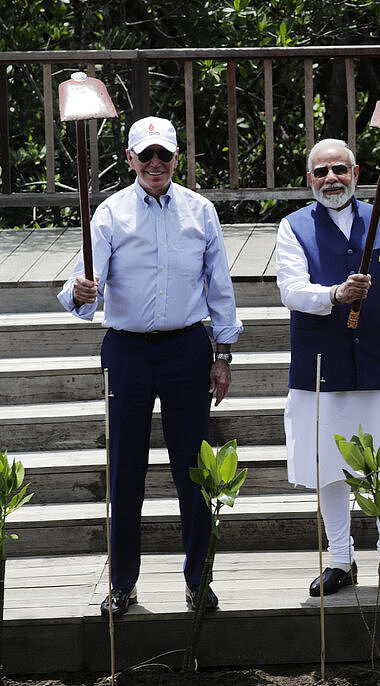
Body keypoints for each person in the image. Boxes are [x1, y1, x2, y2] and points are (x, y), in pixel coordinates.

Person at [57, 115, 243, 616]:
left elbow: (219, 286)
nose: (155, 163)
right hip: (127, 350)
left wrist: (222, 354)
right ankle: (123, 584)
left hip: (187, 348)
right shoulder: (110, 214)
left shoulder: (200, 211)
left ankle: (198, 581)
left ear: (177, 158)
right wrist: (79, 292)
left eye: (164, 155)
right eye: (146, 155)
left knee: (195, 472)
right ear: (131, 159)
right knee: (126, 471)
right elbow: (81, 287)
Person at [276, 138, 380, 598]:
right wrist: (334, 295)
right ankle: (341, 559)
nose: (331, 179)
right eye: (321, 171)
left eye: (340, 170)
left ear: (356, 172)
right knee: (327, 465)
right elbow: (291, 290)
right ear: (309, 179)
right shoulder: (292, 227)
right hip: (321, 368)